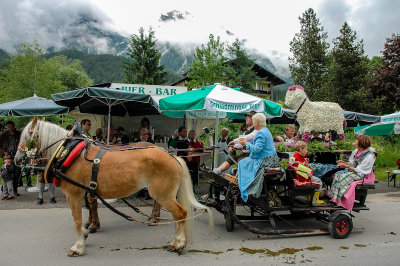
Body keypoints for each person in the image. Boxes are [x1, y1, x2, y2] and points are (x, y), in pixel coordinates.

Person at [237, 113, 280, 202]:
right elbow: (263, 148)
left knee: (242, 163)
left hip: (266, 160)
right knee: (245, 161)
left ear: (256, 122)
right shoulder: (266, 130)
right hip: (271, 158)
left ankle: (247, 187)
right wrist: (249, 150)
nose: (252, 123)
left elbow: (257, 149)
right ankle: (245, 185)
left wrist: (246, 144)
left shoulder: (261, 133)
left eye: (253, 121)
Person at [329, 135, 376, 210]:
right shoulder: (356, 152)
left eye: (357, 141)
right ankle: (335, 199)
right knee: (337, 174)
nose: (355, 142)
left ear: (361, 143)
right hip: (355, 172)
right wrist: (344, 163)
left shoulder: (369, 156)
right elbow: (352, 164)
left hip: (363, 175)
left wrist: (346, 166)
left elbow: (360, 170)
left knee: (343, 177)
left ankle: (341, 201)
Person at [0, 121, 22, 195]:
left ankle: (14, 190)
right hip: (7, 156)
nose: (10, 128)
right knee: (6, 173)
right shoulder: (4, 135)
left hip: (17, 155)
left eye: (12, 126)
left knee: (17, 173)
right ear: (6, 127)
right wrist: (3, 152)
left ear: (14, 126)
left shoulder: (18, 134)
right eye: (9, 127)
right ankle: (5, 190)